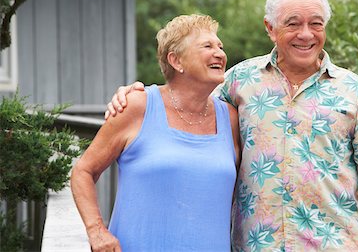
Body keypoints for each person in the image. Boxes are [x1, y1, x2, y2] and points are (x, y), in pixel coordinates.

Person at [105, 0, 358, 251]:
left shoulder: (353, 91)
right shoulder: (238, 81)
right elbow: (184, 105)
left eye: (315, 24)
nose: (306, 34)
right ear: (270, 28)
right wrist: (136, 93)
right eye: (293, 24)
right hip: (256, 246)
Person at [71, 14, 241, 252]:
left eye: (220, 46)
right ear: (176, 60)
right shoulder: (136, 107)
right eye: (207, 46)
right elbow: (83, 171)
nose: (220, 53)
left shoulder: (231, 119)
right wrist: (97, 231)